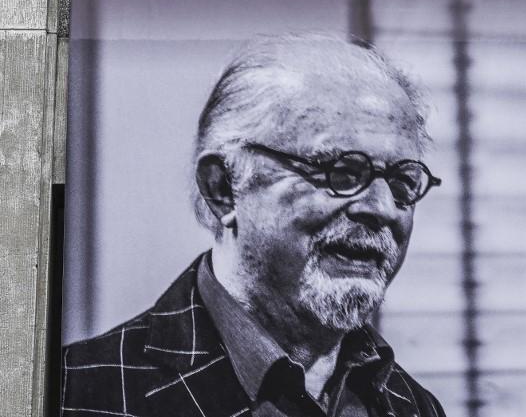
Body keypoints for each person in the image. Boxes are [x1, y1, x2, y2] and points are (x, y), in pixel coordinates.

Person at [61, 33, 446, 417]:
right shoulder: (77, 395)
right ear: (224, 188)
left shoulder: (413, 404)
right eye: (342, 172)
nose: (382, 209)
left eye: (402, 182)